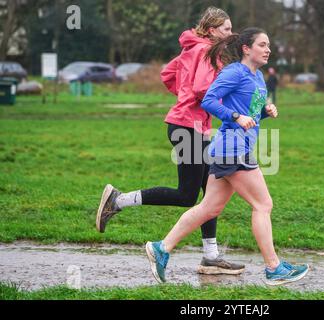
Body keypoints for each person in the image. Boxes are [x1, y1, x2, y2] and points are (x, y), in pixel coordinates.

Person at [145, 28, 310, 286]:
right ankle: (273, 268)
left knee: (210, 207)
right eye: (262, 45)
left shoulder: (258, 77)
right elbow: (209, 100)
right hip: (232, 149)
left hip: (232, 147)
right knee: (263, 204)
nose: (268, 50)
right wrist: (235, 117)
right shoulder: (234, 72)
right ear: (246, 48)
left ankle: (161, 248)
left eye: (269, 45)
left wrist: (264, 112)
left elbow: (248, 114)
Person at [96, 7, 245, 275]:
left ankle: (210, 256)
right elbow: (202, 89)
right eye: (225, 28)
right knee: (187, 195)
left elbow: (167, 75)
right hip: (188, 126)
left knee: (210, 190)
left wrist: (185, 95)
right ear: (212, 31)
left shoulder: (191, 48)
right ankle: (118, 200)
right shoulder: (205, 52)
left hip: (189, 123)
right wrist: (217, 101)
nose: (230, 33)